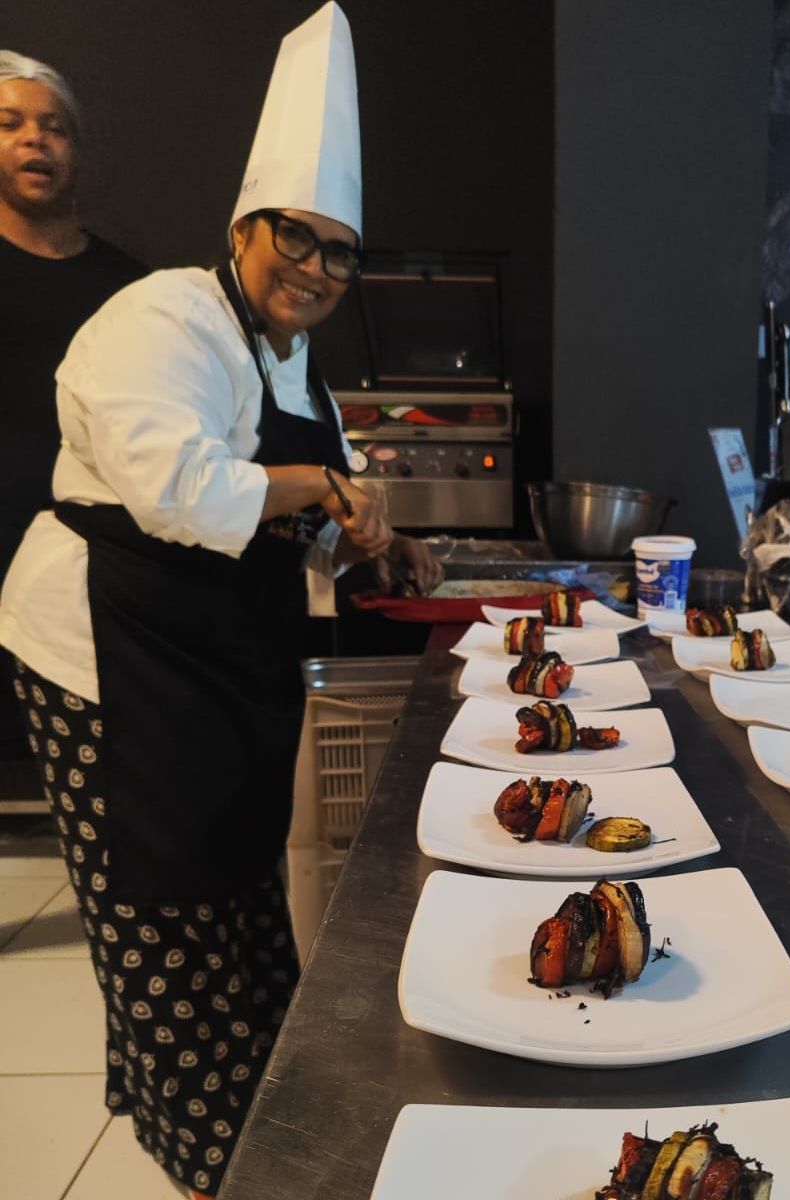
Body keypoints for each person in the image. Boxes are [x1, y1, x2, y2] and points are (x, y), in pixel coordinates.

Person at [0, 6, 439, 1196]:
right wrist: (324, 489)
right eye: (297, 238)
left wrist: (374, 546)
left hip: (213, 666)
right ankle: (211, 1163)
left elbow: (293, 527)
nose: (315, 269)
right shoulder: (162, 316)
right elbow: (176, 488)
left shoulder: (298, 368)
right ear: (245, 227)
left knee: (241, 898)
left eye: (339, 255)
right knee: (163, 915)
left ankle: (265, 1127)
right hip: (109, 657)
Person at [0, 51, 144, 771]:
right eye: (10, 123)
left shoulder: (130, 288)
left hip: (87, 573)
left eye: (54, 127)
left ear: (76, 151)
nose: (36, 138)